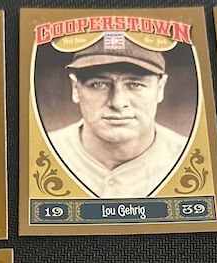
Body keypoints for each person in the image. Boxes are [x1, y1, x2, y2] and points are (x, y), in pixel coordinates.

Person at [48, 35, 188, 198]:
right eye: (99, 84)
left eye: (135, 84)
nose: (117, 103)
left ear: (160, 88)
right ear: (75, 88)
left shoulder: (189, 157)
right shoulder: (44, 152)